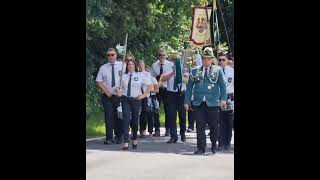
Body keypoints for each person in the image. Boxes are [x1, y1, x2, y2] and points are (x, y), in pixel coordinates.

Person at [184, 47, 227, 155]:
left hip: (212, 102)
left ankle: (213, 144)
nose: (206, 60)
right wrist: (187, 101)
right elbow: (189, 87)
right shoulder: (195, 71)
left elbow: (223, 86)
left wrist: (223, 99)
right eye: (204, 58)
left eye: (208, 58)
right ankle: (201, 148)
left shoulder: (218, 70)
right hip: (198, 103)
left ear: (212, 59)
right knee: (200, 125)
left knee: (213, 125)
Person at [118, 58, 152, 150]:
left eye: (132, 65)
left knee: (135, 120)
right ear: (127, 66)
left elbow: (150, 86)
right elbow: (118, 88)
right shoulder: (123, 76)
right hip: (125, 99)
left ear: (135, 66)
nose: (130, 66)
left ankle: (134, 138)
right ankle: (125, 142)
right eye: (129, 65)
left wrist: (144, 95)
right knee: (126, 119)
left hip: (136, 99)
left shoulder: (140, 75)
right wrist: (118, 91)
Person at [96, 48, 125, 144]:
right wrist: (107, 92)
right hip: (107, 96)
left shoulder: (122, 66)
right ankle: (109, 137)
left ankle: (119, 136)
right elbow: (98, 81)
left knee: (119, 117)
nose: (110, 57)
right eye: (108, 55)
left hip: (119, 96)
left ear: (116, 55)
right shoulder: (103, 68)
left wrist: (122, 90)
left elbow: (128, 78)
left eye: (112, 55)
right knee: (108, 117)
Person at [161, 52, 189, 143]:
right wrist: (172, 74)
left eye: (177, 59)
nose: (175, 61)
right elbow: (163, 79)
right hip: (171, 94)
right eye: (173, 59)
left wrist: (180, 76)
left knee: (182, 115)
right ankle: (173, 136)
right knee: (171, 115)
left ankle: (183, 133)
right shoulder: (168, 67)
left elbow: (187, 81)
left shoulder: (184, 68)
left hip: (181, 94)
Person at [150, 49, 174, 136]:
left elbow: (173, 76)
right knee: (156, 109)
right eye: (160, 55)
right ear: (158, 56)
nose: (162, 57)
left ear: (166, 55)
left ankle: (168, 129)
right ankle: (157, 129)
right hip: (157, 90)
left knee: (168, 110)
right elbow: (151, 77)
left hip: (167, 89)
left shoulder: (170, 64)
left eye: (163, 55)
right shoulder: (154, 65)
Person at [217, 52, 234, 151]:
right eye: (219, 60)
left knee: (229, 121)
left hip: (229, 98)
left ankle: (227, 142)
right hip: (219, 98)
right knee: (219, 121)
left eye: (223, 59)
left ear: (227, 60)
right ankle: (220, 142)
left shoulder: (232, 71)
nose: (221, 61)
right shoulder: (215, 71)